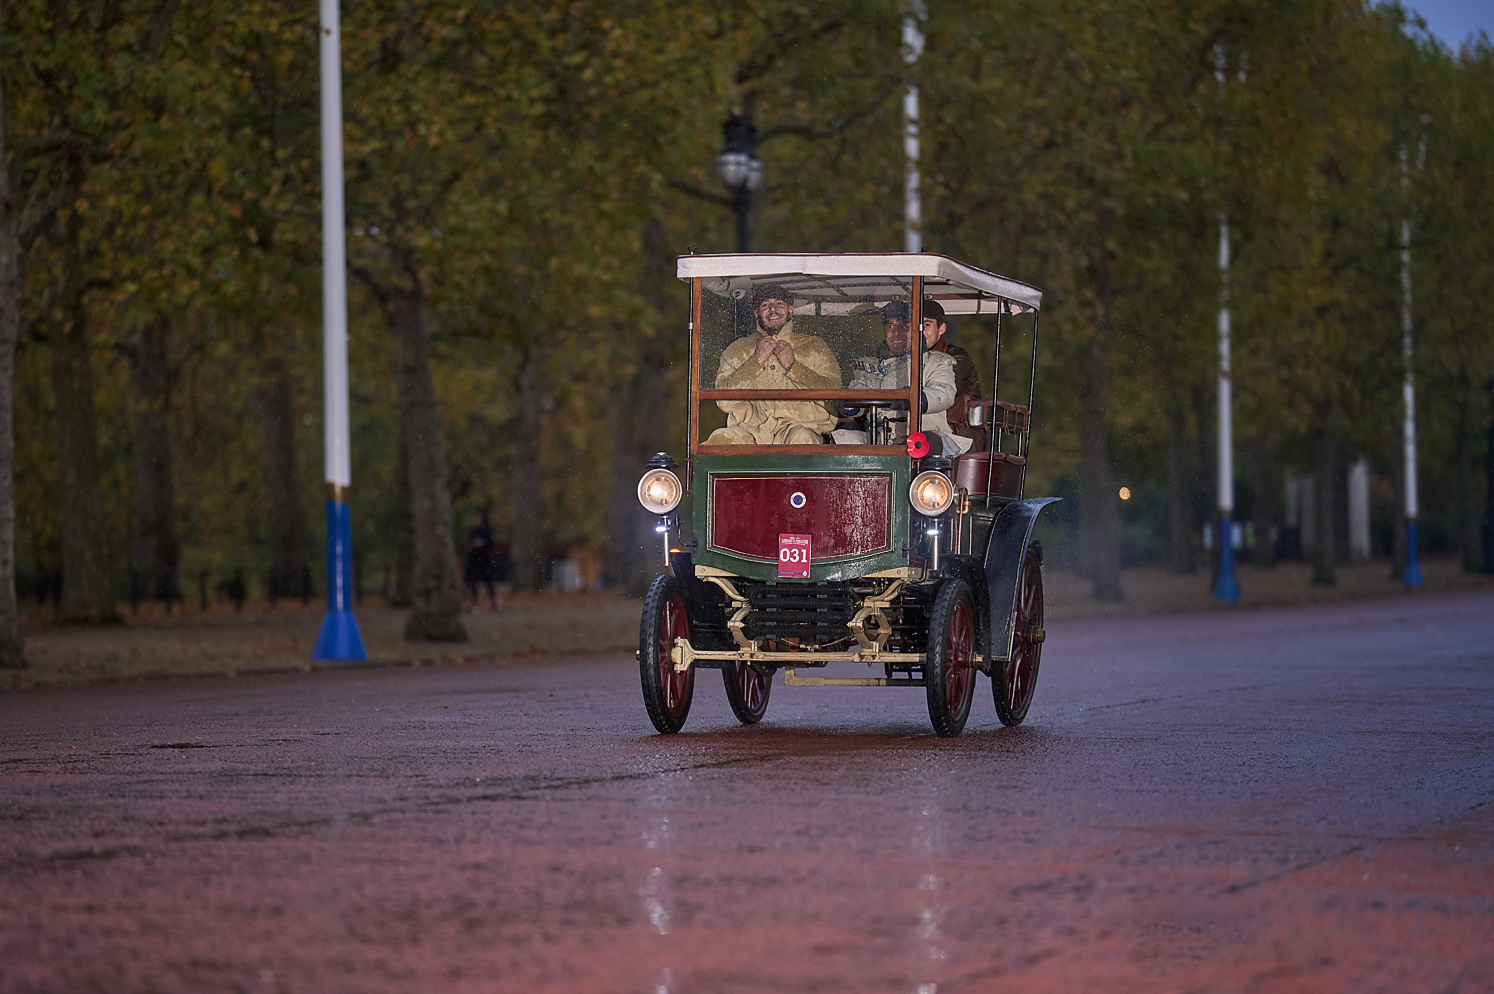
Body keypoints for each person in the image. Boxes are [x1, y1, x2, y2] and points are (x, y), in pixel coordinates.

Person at [831, 299, 971, 456]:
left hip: (924, 435)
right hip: (879, 439)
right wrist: (849, 403)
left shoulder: (936, 361)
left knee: (921, 445)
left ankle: (930, 481)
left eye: (904, 326)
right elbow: (858, 389)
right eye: (890, 326)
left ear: (914, 329)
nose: (896, 332)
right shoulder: (870, 365)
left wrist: (917, 398)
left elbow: (944, 393)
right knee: (839, 441)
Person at [706, 284, 842, 445]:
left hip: (799, 427)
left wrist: (793, 366)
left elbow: (834, 395)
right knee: (719, 439)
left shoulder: (814, 346)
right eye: (765, 305)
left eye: (779, 304)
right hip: (750, 433)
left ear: (790, 310)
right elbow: (724, 403)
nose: (773, 310)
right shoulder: (737, 350)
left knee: (802, 438)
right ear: (756, 314)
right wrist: (755, 361)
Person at [920, 299, 985, 452]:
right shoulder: (897, 359)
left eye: (926, 325)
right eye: (914, 325)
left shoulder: (955, 359)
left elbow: (942, 392)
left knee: (931, 441)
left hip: (954, 437)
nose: (920, 331)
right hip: (913, 434)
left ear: (941, 329)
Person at [464, 512, 499, 613]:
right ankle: (474, 603)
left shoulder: (487, 531)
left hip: (485, 560)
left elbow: (491, 545)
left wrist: (482, 544)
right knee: (474, 582)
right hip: (474, 560)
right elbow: (469, 545)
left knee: (488, 581)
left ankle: (493, 600)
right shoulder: (473, 531)